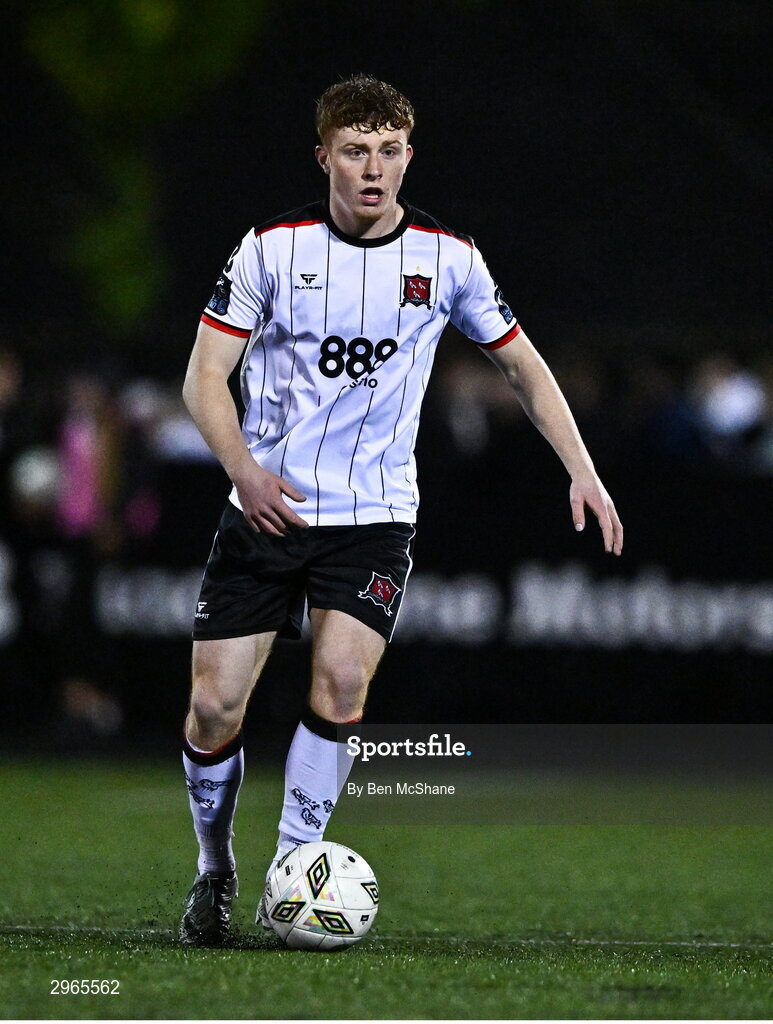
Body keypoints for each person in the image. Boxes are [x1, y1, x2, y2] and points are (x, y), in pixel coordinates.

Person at [179, 74, 623, 945]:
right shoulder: (270, 250)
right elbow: (203, 377)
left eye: (388, 150)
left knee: (343, 682)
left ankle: (290, 870)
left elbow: (521, 364)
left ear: (408, 156)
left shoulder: (448, 258)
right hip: (267, 510)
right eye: (355, 151)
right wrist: (245, 473)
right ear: (324, 157)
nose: (373, 169)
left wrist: (583, 469)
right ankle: (214, 868)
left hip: (375, 515)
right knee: (214, 709)